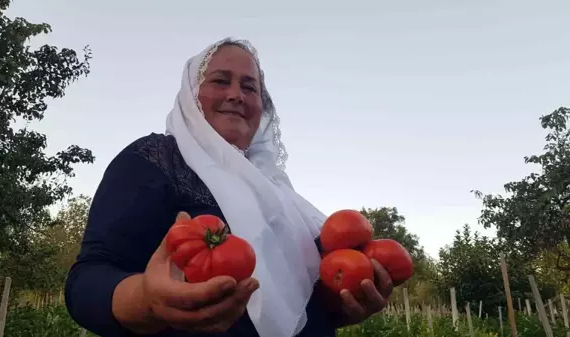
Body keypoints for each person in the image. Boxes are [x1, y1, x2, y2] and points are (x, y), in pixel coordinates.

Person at [64, 37, 393, 337]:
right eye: (221, 81)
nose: (236, 94)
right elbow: (87, 280)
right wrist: (147, 301)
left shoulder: (279, 193)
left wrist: (344, 303)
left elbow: (301, 306)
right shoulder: (156, 159)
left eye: (250, 88)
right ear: (191, 94)